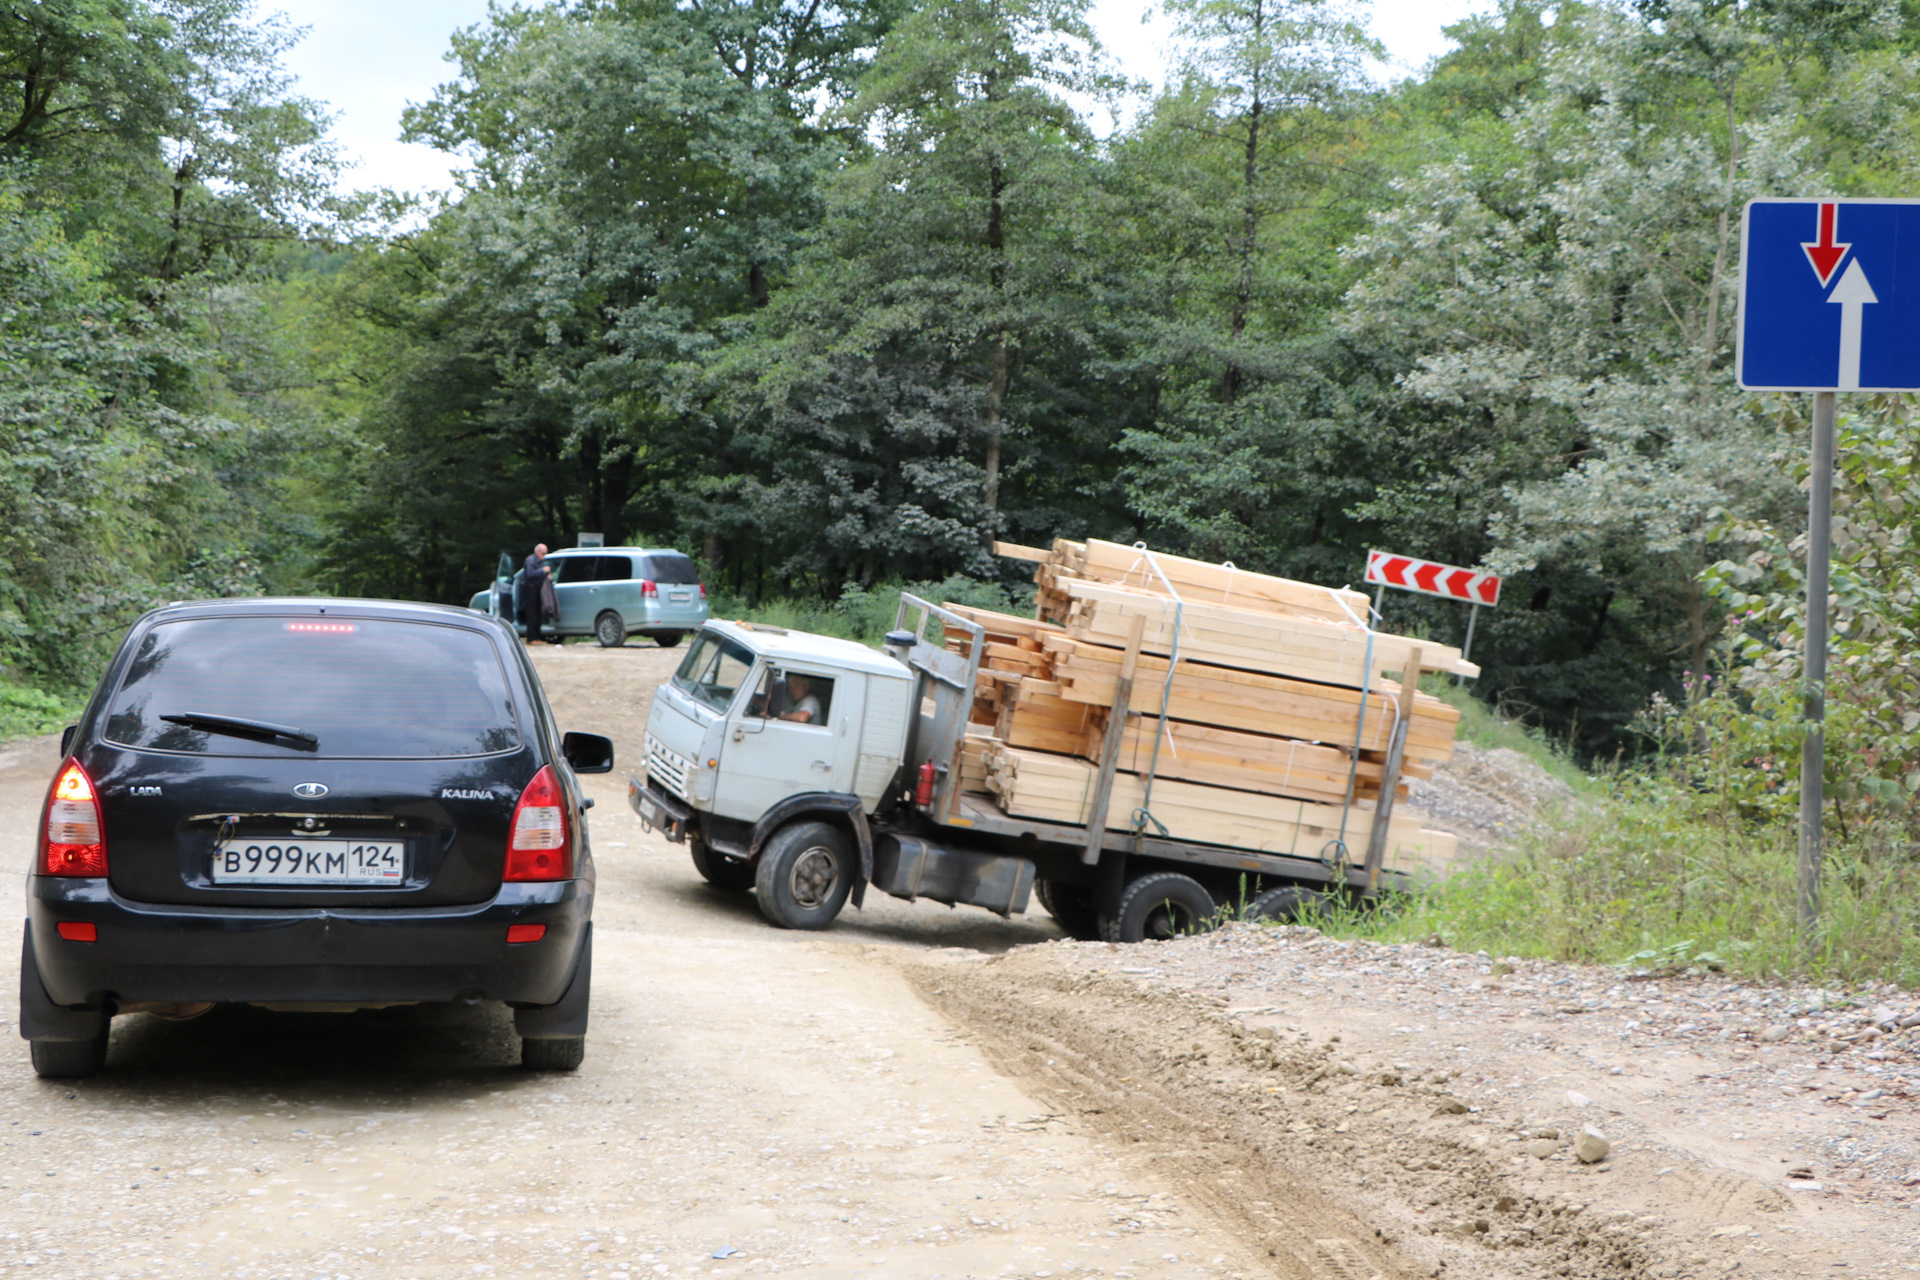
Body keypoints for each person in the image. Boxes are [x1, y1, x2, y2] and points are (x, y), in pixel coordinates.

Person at [520, 543, 551, 644]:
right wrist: (543, 570)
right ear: (537, 551)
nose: (545, 554)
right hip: (531, 589)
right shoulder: (530, 560)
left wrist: (547, 575)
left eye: (546, 552)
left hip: (539, 589)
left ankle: (537, 637)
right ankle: (531, 638)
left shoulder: (542, 561)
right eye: (543, 552)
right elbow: (530, 574)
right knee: (532, 613)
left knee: (538, 614)